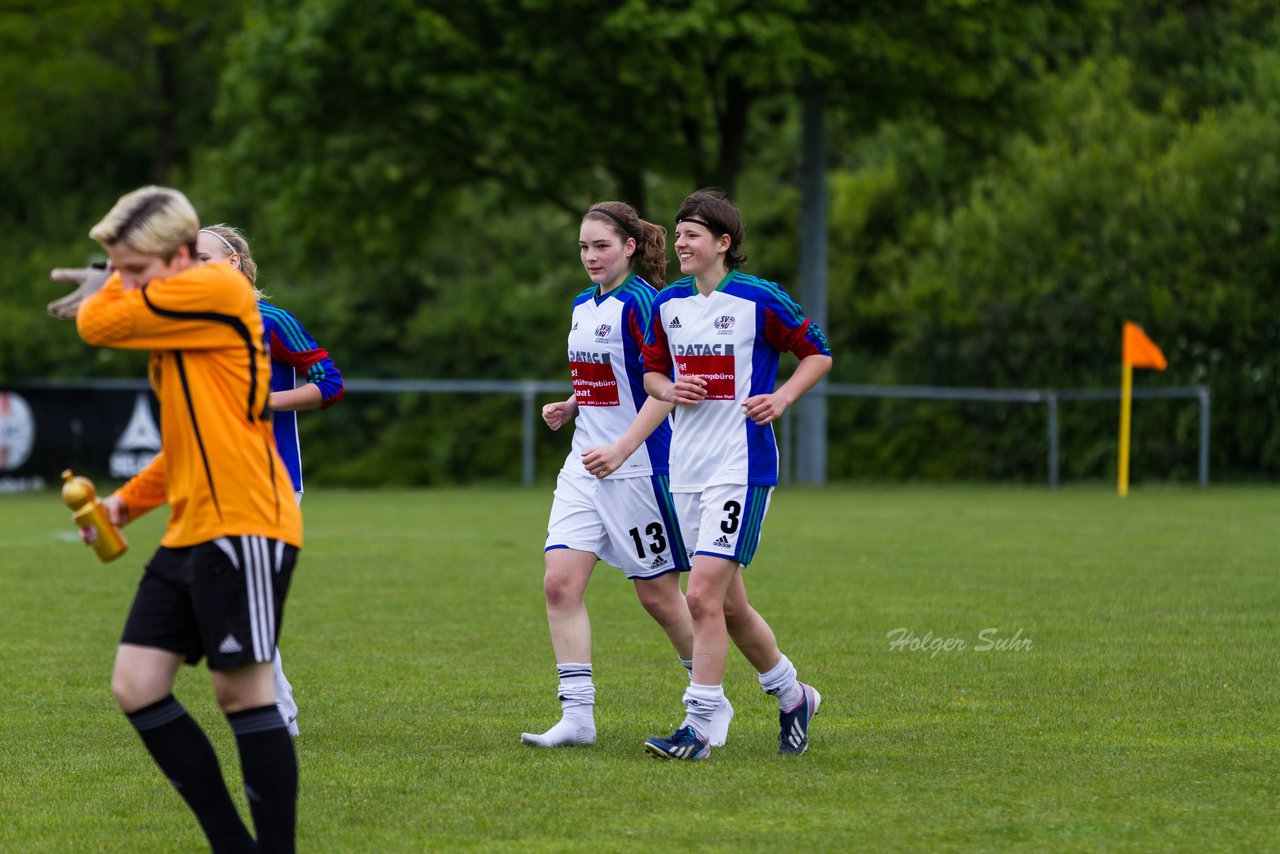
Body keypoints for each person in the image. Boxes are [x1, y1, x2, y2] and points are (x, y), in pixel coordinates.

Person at [71, 186, 302, 852]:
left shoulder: (217, 294)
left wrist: (103, 282)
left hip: (246, 525)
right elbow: (189, 441)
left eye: (137, 269)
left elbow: (97, 323)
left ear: (175, 257)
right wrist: (125, 503)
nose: (127, 283)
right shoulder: (178, 322)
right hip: (193, 528)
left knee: (243, 694)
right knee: (136, 685)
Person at [521, 201, 734, 748]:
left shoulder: (645, 303)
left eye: (602, 246)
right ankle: (577, 717)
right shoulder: (581, 304)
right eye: (583, 248)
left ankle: (707, 702)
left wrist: (621, 446)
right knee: (558, 583)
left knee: (660, 598)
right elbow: (611, 376)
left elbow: (667, 387)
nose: (590, 257)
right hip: (585, 465)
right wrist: (572, 404)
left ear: (630, 247)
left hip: (639, 467)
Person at [639, 188, 832, 760]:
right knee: (726, 605)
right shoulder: (668, 302)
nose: (680, 243)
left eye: (692, 234)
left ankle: (699, 726)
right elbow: (651, 374)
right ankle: (792, 694)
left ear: (723, 243)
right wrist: (671, 389)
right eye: (677, 234)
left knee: (699, 595)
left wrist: (783, 397)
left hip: (741, 468)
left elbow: (817, 352)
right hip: (687, 471)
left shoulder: (758, 298)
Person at [196, 224, 345, 738]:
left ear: (233, 263)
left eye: (201, 257)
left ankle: (275, 714)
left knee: (242, 596)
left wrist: (268, 402)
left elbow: (331, 382)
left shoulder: (272, 321)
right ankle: (275, 710)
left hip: (273, 480)